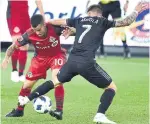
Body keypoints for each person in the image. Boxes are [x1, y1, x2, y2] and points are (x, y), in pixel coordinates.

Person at [16, 2, 145, 124]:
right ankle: (100, 115)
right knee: (111, 87)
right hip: (87, 63)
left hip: (72, 61)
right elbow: (126, 22)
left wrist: (48, 23)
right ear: (99, 14)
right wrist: (136, 10)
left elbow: (57, 22)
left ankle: (26, 99)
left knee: (54, 82)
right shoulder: (102, 21)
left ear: (88, 13)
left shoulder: (79, 20)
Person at [1, 14, 66, 120]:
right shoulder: (29, 34)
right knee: (26, 85)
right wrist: (6, 58)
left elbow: (74, 31)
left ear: (44, 24)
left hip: (56, 56)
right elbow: (13, 46)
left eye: (39, 29)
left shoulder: (54, 28)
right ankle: (19, 110)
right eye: (35, 30)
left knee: (57, 79)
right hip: (40, 58)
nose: (37, 32)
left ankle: (59, 110)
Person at [7, 0, 45, 82]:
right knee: (16, 42)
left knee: (25, 45)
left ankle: (21, 73)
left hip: (25, 16)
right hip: (13, 14)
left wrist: (43, 16)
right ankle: (14, 70)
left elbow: (38, 1)